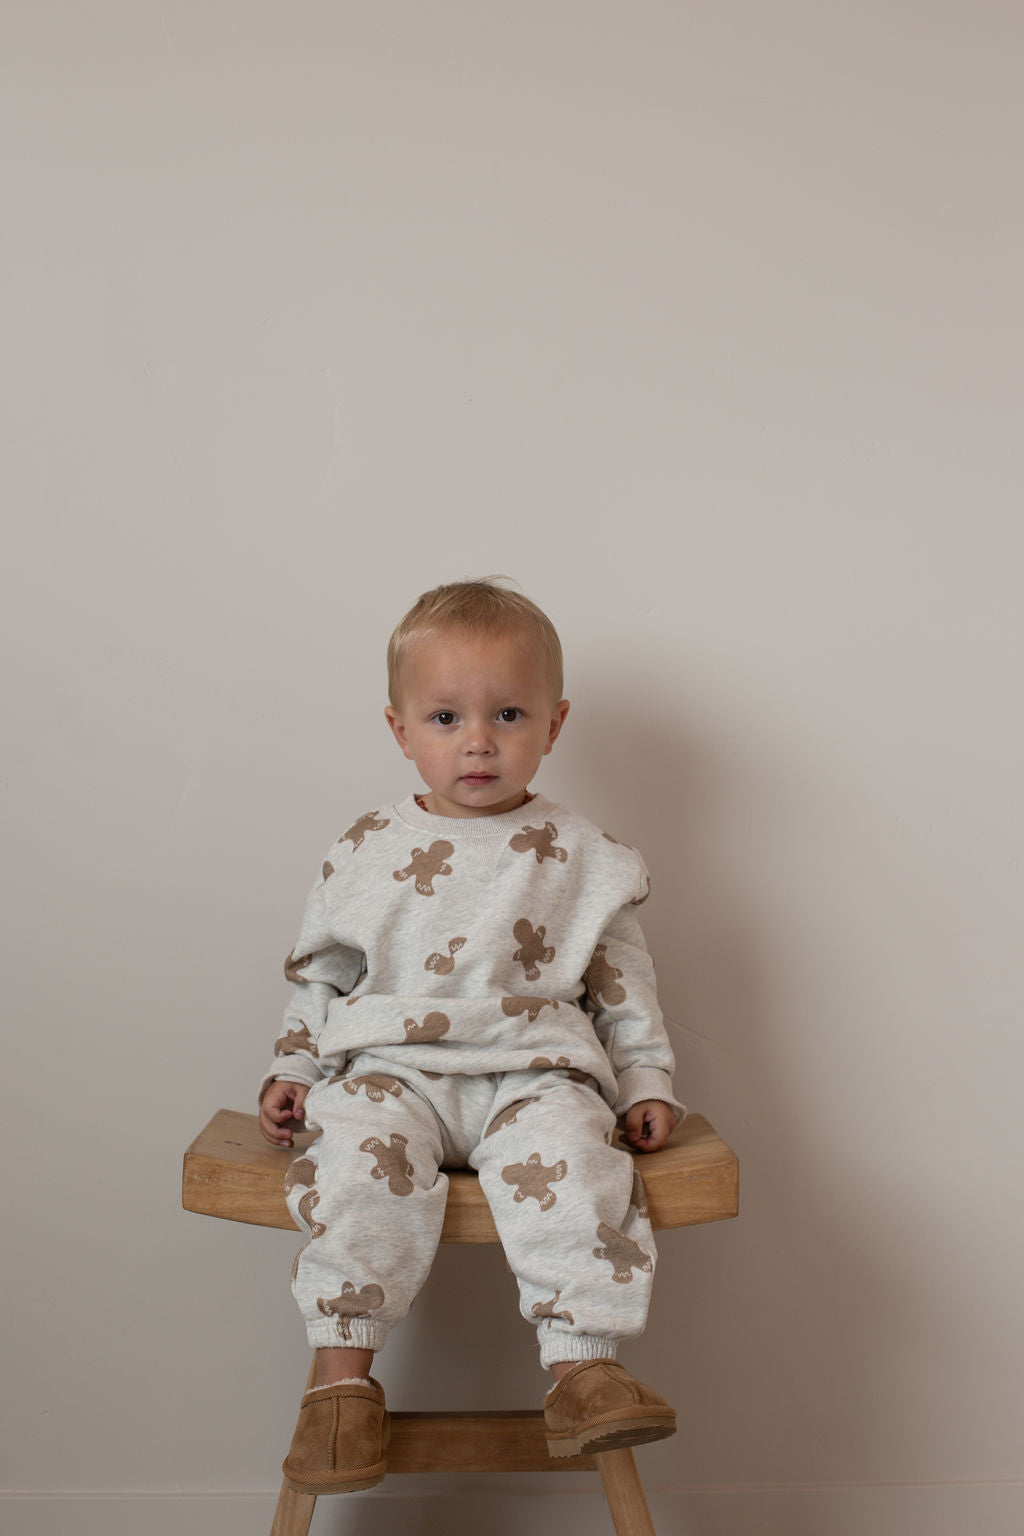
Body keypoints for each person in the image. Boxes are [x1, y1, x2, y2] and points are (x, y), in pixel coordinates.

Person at [258, 579, 684, 1495]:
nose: (479, 740)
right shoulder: (365, 849)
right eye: (446, 717)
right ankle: (340, 1387)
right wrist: (292, 1063)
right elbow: (322, 974)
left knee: (578, 1161)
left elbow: (621, 984)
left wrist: (646, 1078)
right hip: (393, 1073)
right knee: (354, 1167)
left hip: (534, 1075)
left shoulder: (584, 854)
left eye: (509, 714)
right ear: (400, 729)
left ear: (555, 724)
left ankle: (582, 1371)